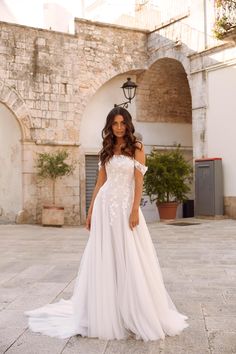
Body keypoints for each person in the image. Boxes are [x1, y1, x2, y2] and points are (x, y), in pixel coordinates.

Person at [25, 107, 189, 341]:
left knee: (130, 257)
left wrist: (135, 210)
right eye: (115, 124)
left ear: (128, 124)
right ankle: (106, 310)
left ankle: (133, 311)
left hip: (126, 209)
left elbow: (138, 182)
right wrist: (90, 211)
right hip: (104, 208)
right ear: (110, 126)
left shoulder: (137, 148)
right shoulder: (107, 149)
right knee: (105, 256)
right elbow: (100, 183)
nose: (119, 127)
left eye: (122, 123)